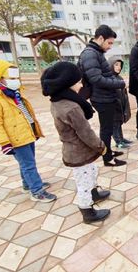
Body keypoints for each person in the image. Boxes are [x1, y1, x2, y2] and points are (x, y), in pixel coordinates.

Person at [41, 61, 111, 223]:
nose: (81, 84)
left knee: (91, 172)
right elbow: (85, 133)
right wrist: (102, 147)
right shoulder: (71, 108)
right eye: (78, 81)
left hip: (78, 151)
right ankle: (87, 212)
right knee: (84, 184)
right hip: (79, 153)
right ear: (68, 84)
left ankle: (94, 193)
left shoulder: (57, 101)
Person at [0, 60, 56, 202]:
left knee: (27, 162)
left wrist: (34, 130)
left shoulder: (14, 93)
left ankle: (28, 184)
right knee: (28, 164)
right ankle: (37, 190)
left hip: (26, 133)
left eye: (16, 78)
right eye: (11, 79)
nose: (16, 81)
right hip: (15, 138)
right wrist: (4, 142)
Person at [78, 25, 126, 167]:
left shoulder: (96, 52)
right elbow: (97, 79)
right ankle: (107, 158)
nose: (110, 46)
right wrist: (120, 84)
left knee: (108, 127)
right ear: (100, 38)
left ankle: (108, 151)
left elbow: (104, 74)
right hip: (101, 98)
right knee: (106, 129)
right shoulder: (90, 54)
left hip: (106, 97)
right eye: (109, 43)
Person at [107, 56, 133, 148]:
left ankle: (121, 138)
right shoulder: (109, 79)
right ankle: (118, 142)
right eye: (116, 65)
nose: (119, 67)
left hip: (120, 106)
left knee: (119, 123)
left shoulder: (119, 77)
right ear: (110, 65)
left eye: (120, 65)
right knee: (115, 125)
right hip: (114, 107)